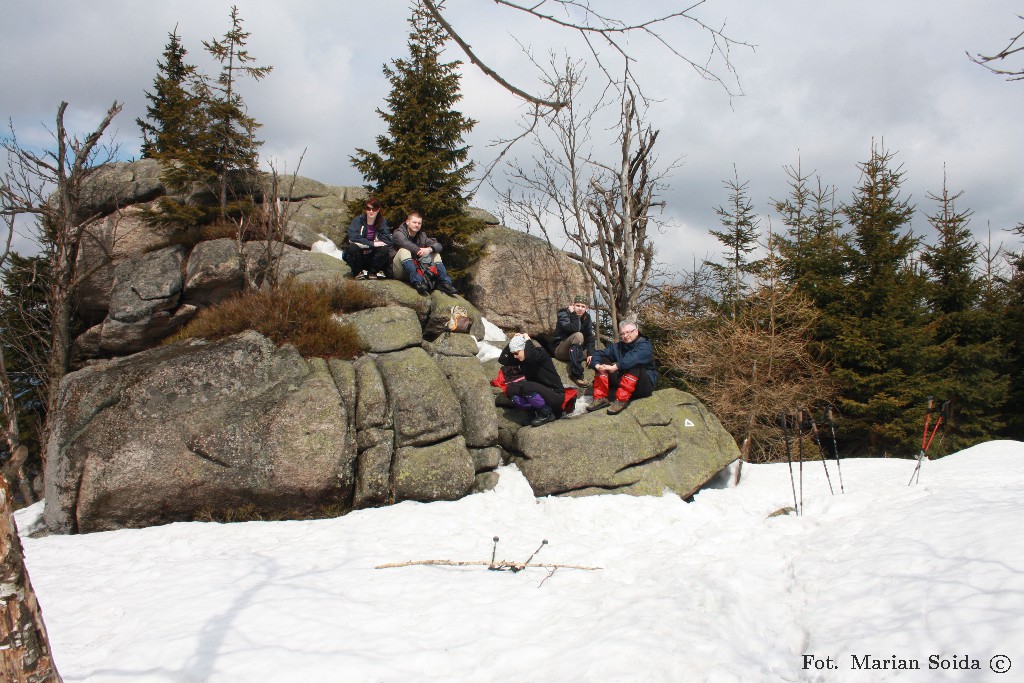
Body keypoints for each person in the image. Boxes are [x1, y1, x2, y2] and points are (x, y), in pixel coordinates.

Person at [586, 320, 657, 415]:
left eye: (628, 332)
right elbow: (599, 353)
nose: (625, 336)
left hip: (643, 385)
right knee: (602, 359)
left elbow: (634, 358)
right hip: (622, 380)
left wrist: (616, 366)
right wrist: (597, 365)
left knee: (634, 363)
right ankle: (600, 398)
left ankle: (622, 400)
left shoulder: (645, 344)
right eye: (622, 333)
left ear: (636, 331)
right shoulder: (618, 346)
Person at [498, 333, 565, 427]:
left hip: (556, 395)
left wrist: (527, 340)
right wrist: (511, 342)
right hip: (537, 391)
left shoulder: (540, 353)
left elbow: (530, 356)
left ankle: (546, 414)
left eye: (516, 353)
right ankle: (533, 413)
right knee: (510, 389)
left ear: (524, 348)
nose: (515, 356)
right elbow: (502, 360)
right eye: (513, 354)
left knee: (527, 386)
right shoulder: (521, 358)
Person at [390, 211, 457, 295]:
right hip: (398, 270)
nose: (417, 225)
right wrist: (420, 250)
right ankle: (418, 283)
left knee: (435, 254)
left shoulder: (422, 236)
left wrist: (430, 249)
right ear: (407, 222)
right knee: (404, 250)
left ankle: (445, 283)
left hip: (415, 269)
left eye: (419, 223)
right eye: (414, 222)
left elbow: (439, 246)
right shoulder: (398, 233)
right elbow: (405, 243)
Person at [552, 295, 595, 387]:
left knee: (597, 354)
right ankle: (576, 375)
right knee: (578, 335)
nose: (580, 308)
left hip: (576, 349)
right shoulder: (563, 313)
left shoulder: (587, 318)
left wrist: (590, 353)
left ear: (586, 308)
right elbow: (574, 329)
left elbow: (589, 337)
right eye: (578, 305)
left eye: (583, 306)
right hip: (561, 349)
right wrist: (573, 315)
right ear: (573, 305)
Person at [344, 198, 392, 279]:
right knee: (351, 247)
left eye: (374, 209)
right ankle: (358, 272)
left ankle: (373, 273)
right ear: (365, 209)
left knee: (384, 249)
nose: (371, 211)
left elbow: (387, 241)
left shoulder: (382, 222)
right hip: (358, 255)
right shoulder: (358, 220)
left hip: (373, 257)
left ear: (378, 209)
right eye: (368, 208)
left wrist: (363, 243)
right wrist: (372, 244)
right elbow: (353, 237)